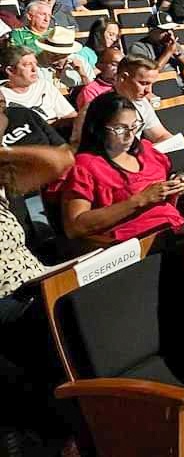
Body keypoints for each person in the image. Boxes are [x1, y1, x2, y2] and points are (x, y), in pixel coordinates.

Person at [0, 144, 77, 453]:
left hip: (38, 280)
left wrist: (4, 154)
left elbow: (60, 161)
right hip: (6, 297)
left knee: (92, 299)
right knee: (58, 321)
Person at [54, 92, 184, 243]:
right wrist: (139, 200)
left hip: (175, 228)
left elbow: (165, 202)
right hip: (135, 244)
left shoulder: (147, 151)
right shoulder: (85, 166)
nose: (130, 135)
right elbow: (75, 227)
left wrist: (175, 186)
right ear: (98, 128)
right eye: (120, 129)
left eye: (134, 126)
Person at [0, 46, 76, 124]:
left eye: (35, 64)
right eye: (27, 65)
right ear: (10, 70)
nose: (34, 69)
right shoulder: (2, 95)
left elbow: (71, 116)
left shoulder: (44, 86)